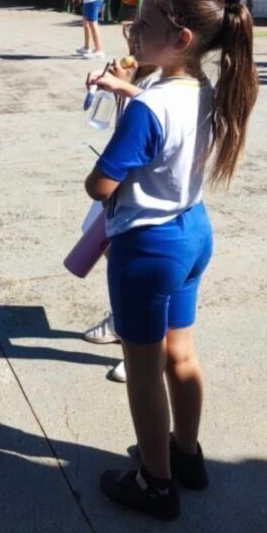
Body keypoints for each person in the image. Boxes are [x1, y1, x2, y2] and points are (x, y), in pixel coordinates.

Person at [84, 0, 257, 520]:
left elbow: (101, 185)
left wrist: (127, 107)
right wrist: (129, 92)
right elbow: (167, 119)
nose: (132, 32)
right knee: (180, 353)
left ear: (181, 39)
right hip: (190, 232)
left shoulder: (147, 110)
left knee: (142, 367)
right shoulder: (206, 88)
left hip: (146, 249)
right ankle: (186, 455)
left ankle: (153, 483)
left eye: (145, 26)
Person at [82, 30, 161, 384]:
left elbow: (153, 119)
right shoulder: (141, 74)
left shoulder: (164, 83)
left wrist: (124, 88)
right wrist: (107, 89)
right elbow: (119, 125)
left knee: (146, 280)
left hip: (146, 197)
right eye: (131, 35)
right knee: (105, 245)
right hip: (124, 190)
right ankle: (122, 321)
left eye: (142, 35)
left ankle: (144, 350)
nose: (132, 46)